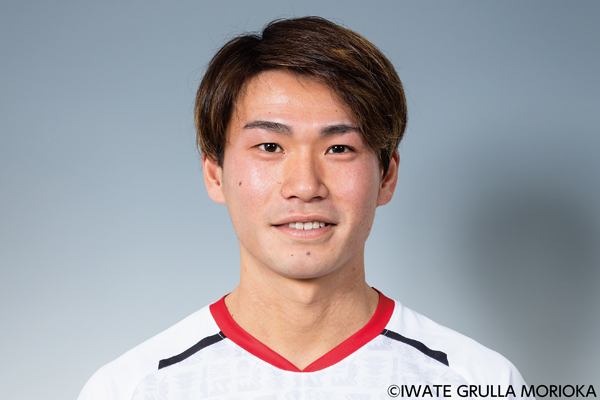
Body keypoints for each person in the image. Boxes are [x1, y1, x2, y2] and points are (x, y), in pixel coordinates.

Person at [78, 16, 531, 399]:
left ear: (387, 176)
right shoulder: (130, 389)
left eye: (339, 148)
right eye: (270, 146)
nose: (305, 186)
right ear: (214, 174)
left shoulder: (481, 383)